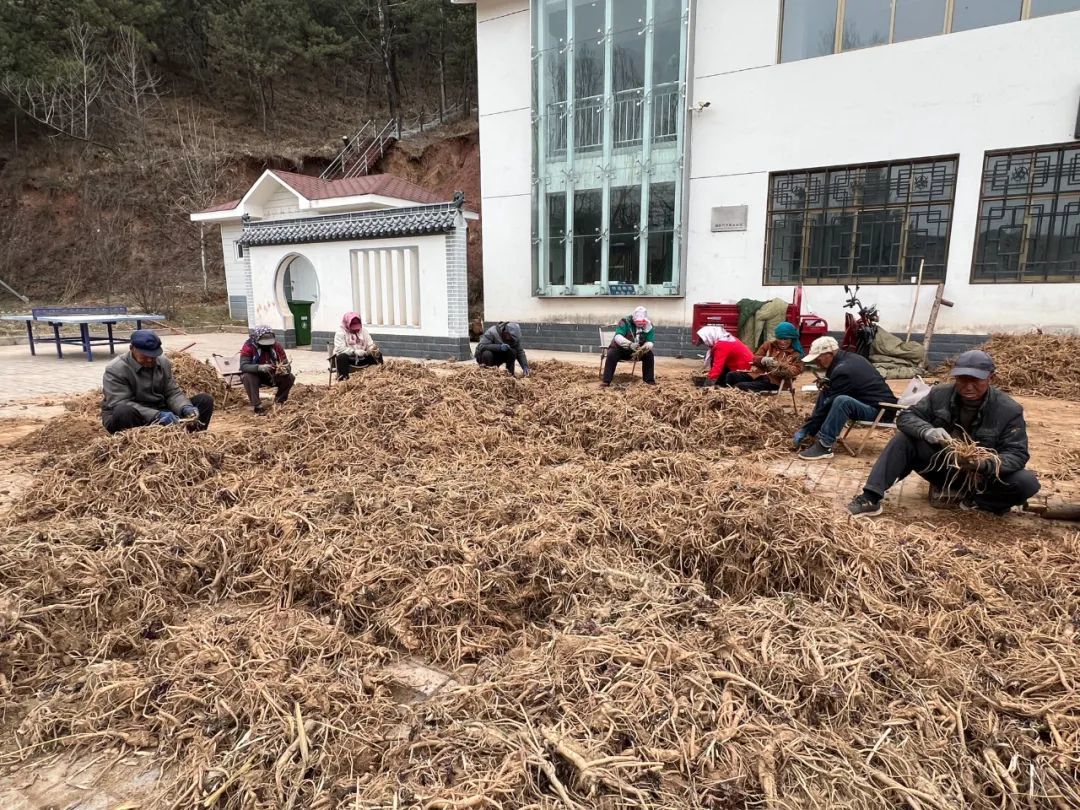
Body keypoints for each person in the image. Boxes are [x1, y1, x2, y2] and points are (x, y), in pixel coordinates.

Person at [847, 350, 1040, 518]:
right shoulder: (939, 394)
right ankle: (870, 497)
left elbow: (1017, 454)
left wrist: (982, 463)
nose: (968, 386)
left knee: (1026, 483)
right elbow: (906, 417)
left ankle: (979, 501)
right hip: (942, 467)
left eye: (976, 380)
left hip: (981, 479)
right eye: (962, 379)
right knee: (904, 439)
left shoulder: (1008, 409)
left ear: (991, 378)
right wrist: (927, 431)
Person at [795, 336, 897, 460]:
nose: (817, 362)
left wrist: (807, 428)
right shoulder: (847, 359)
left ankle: (824, 445)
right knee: (826, 388)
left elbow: (829, 404)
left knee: (841, 401)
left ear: (829, 354)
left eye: (818, 358)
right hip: (869, 403)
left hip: (881, 410)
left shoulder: (843, 370)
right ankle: (814, 433)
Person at [101, 330, 214, 434]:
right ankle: (137, 446)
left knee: (204, 400)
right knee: (123, 411)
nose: (150, 360)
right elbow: (120, 402)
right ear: (132, 348)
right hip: (132, 415)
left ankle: (191, 439)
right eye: (145, 356)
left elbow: (172, 392)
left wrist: (185, 407)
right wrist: (156, 415)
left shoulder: (163, 362)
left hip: (159, 409)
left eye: (153, 356)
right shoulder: (115, 369)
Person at [723, 321, 805, 392]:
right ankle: (727, 400)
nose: (782, 342)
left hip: (775, 382)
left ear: (792, 339)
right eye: (780, 339)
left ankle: (742, 405)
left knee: (740, 386)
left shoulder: (796, 353)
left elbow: (797, 370)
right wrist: (763, 360)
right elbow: (755, 358)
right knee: (731, 376)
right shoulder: (769, 345)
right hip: (758, 375)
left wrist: (780, 367)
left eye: (786, 339)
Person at [239, 326, 295, 414]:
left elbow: (285, 362)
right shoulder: (249, 347)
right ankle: (257, 405)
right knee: (247, 376)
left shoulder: (277, 346)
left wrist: (284, 369)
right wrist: (259, 367)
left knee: (290, 377)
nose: (267, 345)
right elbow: (244, 366)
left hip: (272, 375)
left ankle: (279, 400)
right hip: (256, 375)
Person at [602, 306, 656, 386]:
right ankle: (606, 381)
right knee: (611, 354)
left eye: (642, 322)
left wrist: (644, 348)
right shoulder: (624, 322)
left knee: (649, 355)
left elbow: (650, 341)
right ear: (633, 318)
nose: (640, 324)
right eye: (638, 322)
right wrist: (629, 344)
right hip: (621, 350)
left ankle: (649, 380)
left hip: (637, 352)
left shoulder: (649, 325)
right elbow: (618, 337)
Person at [333, 311, 383, 380]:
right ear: (347, 323)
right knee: (342, 357)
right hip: (349, 360)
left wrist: (371, 349)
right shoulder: (340, 333)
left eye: (357, 327)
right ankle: (344, 379)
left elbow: (370, 343)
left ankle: (380, 377)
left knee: (377, 354)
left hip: (362, 359)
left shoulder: (363, 331)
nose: (356, 329)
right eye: (353, 326)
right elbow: (340, 349)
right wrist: (354, 352)